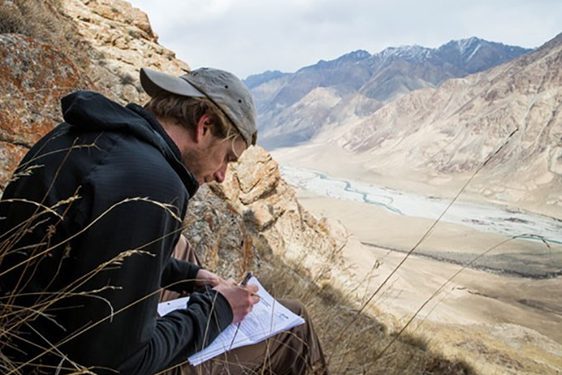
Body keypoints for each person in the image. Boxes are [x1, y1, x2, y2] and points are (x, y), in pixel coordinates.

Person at [0, 67, 328, 374]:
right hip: (52, 362)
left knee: (180, 248)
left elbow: (92, 247)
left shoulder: (80, 134)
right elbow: (120, 362)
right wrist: (219, 308)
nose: (221, 175)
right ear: (204, 126)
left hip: (23, 328)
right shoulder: (153, 184)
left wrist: (192, 276)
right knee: (294, 324)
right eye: (227, 157)